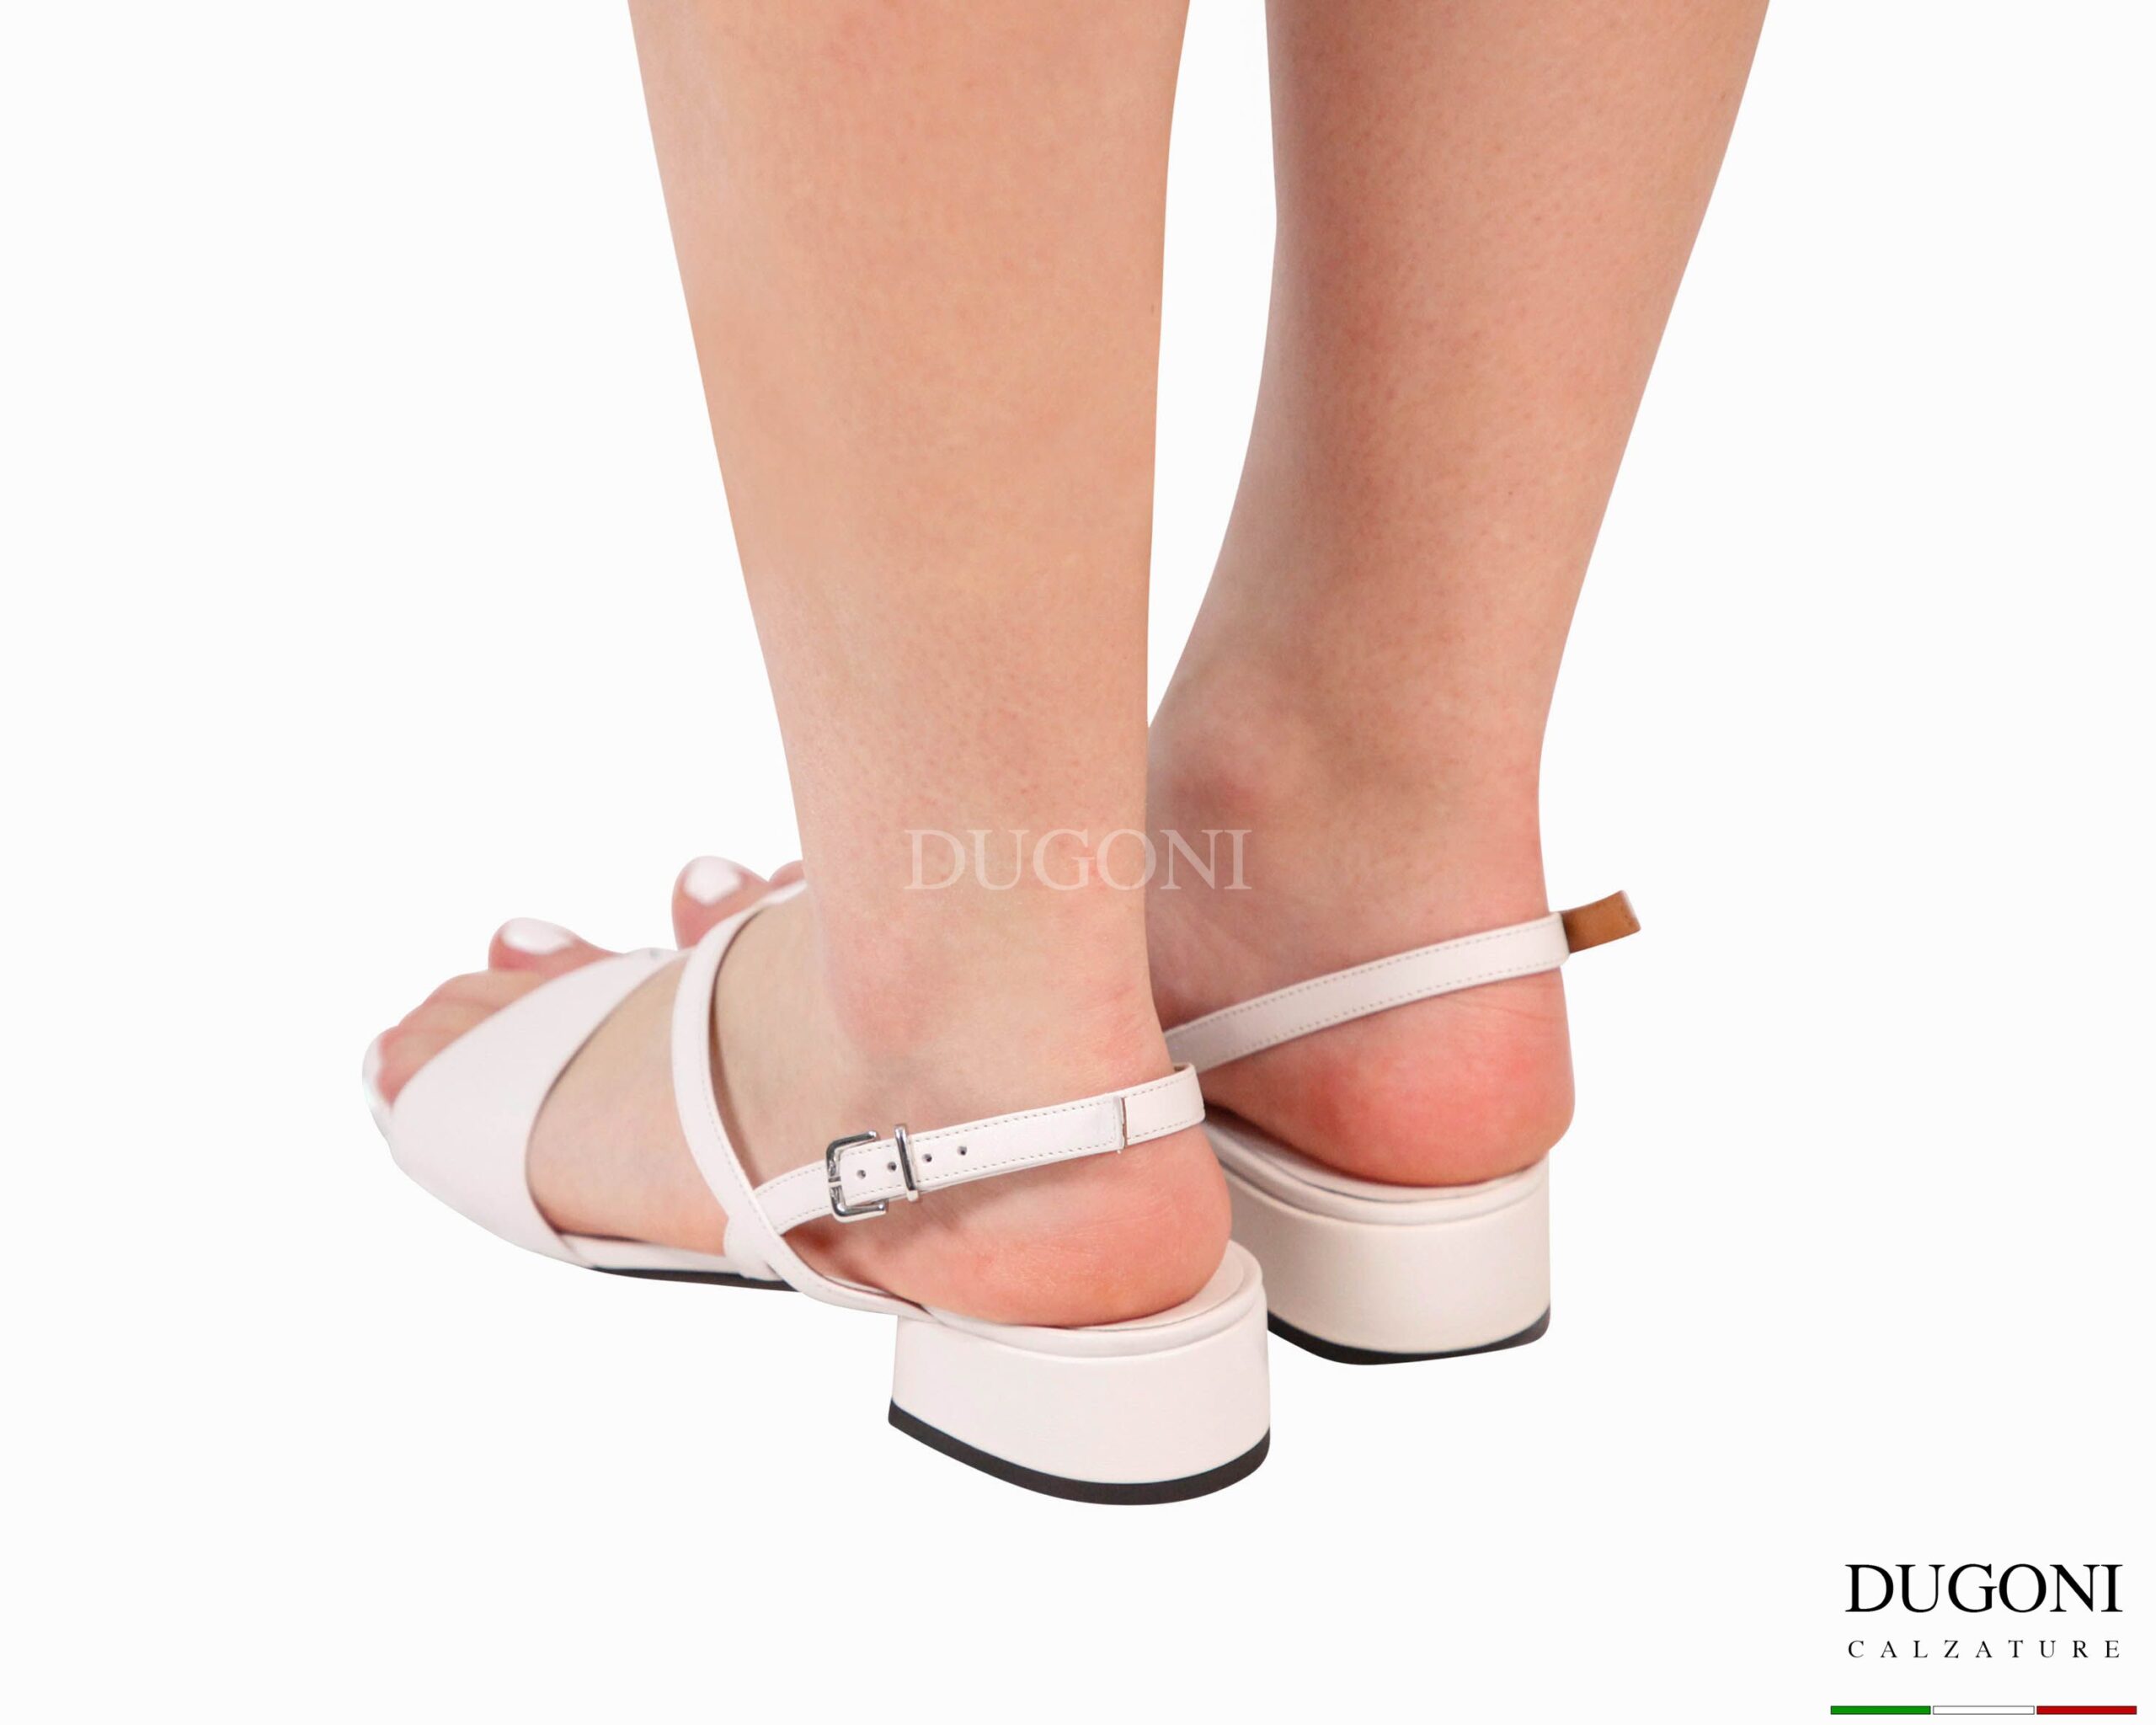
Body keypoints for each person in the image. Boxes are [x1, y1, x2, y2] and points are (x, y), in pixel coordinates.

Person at [364, 0, 1765, 1498]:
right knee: (1362, 796)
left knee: (974, 993)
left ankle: (963, 1049)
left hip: (934, 1140)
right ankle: (1357, 864)